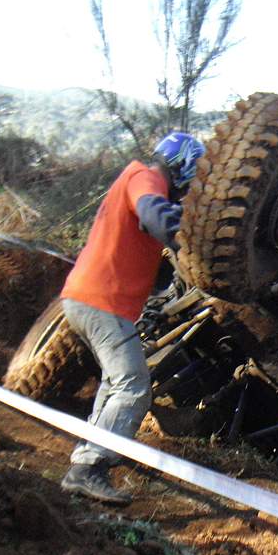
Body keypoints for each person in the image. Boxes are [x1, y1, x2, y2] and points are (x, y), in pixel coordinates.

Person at [59, 132, 205, 504]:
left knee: (114, 384)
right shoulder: (145, 177)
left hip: (87, 298)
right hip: (101, 302)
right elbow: (156, 216)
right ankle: (88, 468)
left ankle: (84, 462)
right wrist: (195, 235)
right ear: (182, 165)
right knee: (134, 388)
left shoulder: (134, 178)